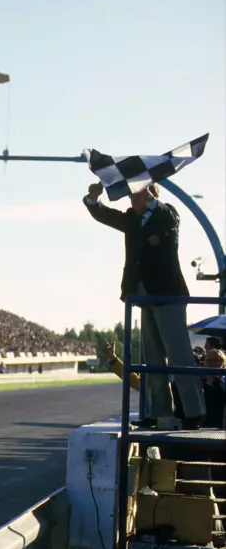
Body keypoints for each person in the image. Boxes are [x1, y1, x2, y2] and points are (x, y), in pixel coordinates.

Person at [84, 181, 205, 428]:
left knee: (179, 354)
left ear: (151, 195)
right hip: (142, 295)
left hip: (168, 294)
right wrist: (93, 199)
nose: (132, 201)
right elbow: (104, 215)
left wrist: (150, 198)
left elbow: (166, 216)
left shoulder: (167, 213)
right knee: (152, 358)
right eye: (132, 197)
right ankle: (156, 412)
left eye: (137, 196)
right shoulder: (132, 219)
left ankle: (194, 412)